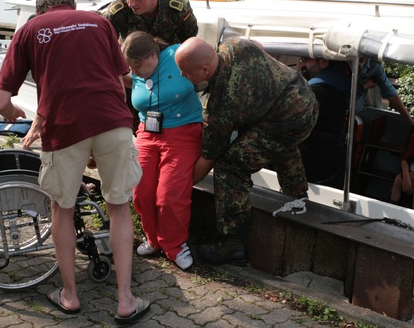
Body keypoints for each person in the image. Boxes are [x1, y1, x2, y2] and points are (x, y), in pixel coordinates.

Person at [0, 0, 150, 324]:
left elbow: (2, 101)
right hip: (113, 122)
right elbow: (124, 76)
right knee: (118, 207)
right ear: (73, 2)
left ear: (40, 8)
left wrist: (15, 115)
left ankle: (69, 296)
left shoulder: (29, 30)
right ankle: (125, 300)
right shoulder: (101, 22)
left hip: (64, 128)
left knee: (61, 209)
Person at [174, 37, 318, 266]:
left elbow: (210, 156)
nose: (182, 76)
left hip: (285, 121)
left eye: (186, 72)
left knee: (229, 166)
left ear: (204, 69)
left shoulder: (220, 107)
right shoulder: (234, 45)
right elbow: (258, 47)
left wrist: (180, 186)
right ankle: (297, 195)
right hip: (305, 100)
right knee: (278, 147)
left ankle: (232, 244)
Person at [121, 31, 202, 271]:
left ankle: (175, 245)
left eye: (136, 65)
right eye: (130, 67)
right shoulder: (135, 72)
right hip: (148, 132)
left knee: (169, 196)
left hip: (183, 131)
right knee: (141, 192)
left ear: (153, 55)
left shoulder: (177, 55)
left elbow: (209, 63)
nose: (133, 72)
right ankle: (154, 239)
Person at [299, 57, 352, 188]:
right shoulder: (338, 89)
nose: (302, 63)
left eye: (306, 59)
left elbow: (291, 125)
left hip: (315, 164)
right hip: (331, 158)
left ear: (323, 62)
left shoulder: (317, 92)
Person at [358, 58, 414, 127]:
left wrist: (410, 121)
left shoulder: (374, 66)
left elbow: (391, 93)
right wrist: (364, 86)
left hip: (358, 113)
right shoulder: (344, 62)